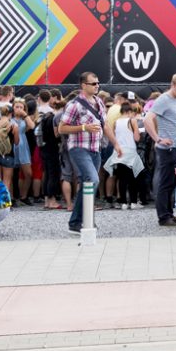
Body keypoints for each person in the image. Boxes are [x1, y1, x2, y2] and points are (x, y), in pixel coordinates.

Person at [59, 72, 119, 235]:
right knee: (92, 180)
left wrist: (116, 144)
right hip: (79, 148)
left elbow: (105, 125)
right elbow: (61, 128)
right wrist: (84, 127)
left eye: (98, 83)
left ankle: (78, 222)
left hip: (95, 149)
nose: (97, 85)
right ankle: (82, 220)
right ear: (83, 85)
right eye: (93, 83)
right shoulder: (74, 104)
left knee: (88, 184)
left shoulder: (99, 101)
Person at [145, 73, 176, 227]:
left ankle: (169, 213)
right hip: (167, 148)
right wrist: (157, 138)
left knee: (172, 182)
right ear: (172, 84)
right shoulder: (163, 99)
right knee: (165, 182)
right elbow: (148, 119)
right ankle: (163, 216)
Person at [103, 103, 145, 209]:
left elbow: (113, 137)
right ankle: (134, 202)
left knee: (122, 178)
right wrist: (138, 132)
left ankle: (123, 203)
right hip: (130, 152)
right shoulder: (132, 121)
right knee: (133, 178)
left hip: (119, 153)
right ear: (130, 112)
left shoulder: (116, 122)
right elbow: (136, 138)